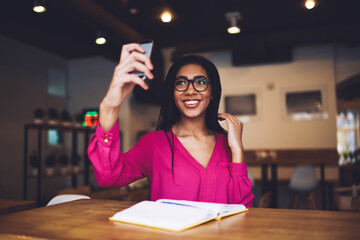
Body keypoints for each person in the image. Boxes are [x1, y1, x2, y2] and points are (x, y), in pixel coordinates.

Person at [87, 43, 254, 207]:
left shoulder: (228, 144)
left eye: (201, 82)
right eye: (181, 83)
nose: (190, 90)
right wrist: (110, 105)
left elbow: (243, 210)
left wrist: (237, 149)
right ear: (172, 95)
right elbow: (108, 177)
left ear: (212, 93)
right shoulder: (154, 144)